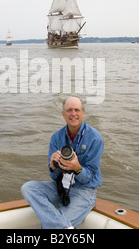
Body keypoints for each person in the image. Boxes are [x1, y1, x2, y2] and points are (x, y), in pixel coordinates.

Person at [21, 97, 104, 229]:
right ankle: (64, 227)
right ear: (63, 114)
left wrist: (77, 168)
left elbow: (90, 176)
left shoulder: (95, 138)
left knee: (53, 225)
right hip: (60, 187)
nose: (73, 114)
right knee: (28, 188)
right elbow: (53, 177)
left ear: (83, 112)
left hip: (84, 190)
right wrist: (53, 166)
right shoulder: (56, 137)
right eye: (69, 110)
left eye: (77, 110)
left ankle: (60, 226)